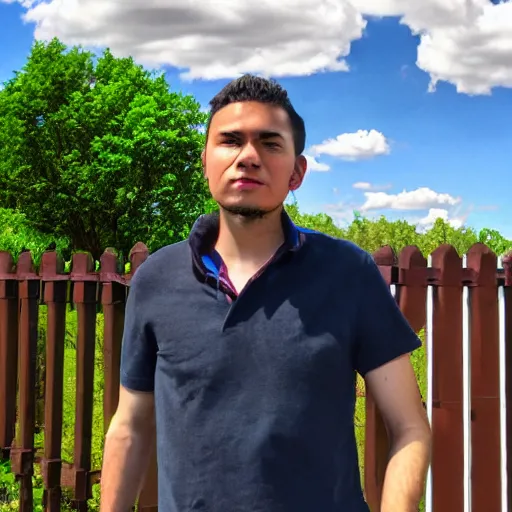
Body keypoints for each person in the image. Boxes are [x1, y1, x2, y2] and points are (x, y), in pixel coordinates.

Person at [100, 74, 431, 512]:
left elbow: (410, 427)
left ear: (297, 172)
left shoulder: (349, 273)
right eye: (231, 141)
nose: (248, 157)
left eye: (270, 144)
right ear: (205, 162)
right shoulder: (157, 278)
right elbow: (131, 427)